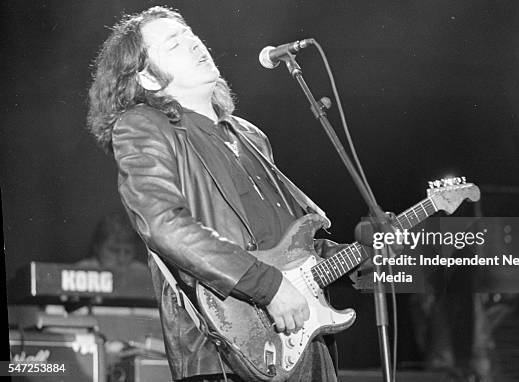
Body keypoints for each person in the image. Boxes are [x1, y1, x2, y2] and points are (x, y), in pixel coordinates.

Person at [86, 6, 344, 382]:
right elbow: (164, 225)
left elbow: (287, 245)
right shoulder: (142, 126)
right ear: (148, 78)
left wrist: (357, 256)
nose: (193, 44)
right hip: (226, 345)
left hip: (301, 341)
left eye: (190, 35)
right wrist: (268, 285)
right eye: (174, 44)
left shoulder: (250, 136)